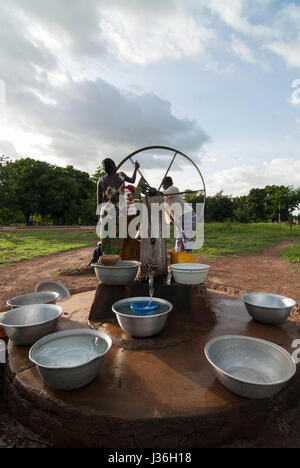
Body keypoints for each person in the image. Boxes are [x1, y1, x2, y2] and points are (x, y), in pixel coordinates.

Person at [97, 158, 139, 255]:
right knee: (117, 238)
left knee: (106, 238)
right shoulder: (121, 176)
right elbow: (133, 180)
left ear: (105, 169)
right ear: (114, 166)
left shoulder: (100, 181)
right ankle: (115, 259)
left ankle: (107, 259)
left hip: (106, 212)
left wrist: (99, 219)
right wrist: (135, 169)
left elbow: (99, 204)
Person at [161, 177, 196, 253]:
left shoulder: (173, 189)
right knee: (181, 237)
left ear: (170, 183)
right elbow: (167, 210)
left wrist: (153, 192)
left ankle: (187, 257)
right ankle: (181, 257)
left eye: (164, 183)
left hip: (188, 214)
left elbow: (160, 194)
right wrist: (170, 220)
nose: (163, 186)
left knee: (185, 237)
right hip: (180, 217)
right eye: (162, 184)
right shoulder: (165, 197)